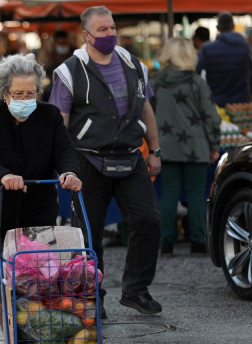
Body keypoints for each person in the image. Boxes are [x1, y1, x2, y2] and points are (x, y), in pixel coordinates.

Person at [49, 6, 162, 318]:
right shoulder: (69, 71)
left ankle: (136, 290)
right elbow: (59, 122)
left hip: (130, 157)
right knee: (87, 234)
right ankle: (91, 295)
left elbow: (146, 109)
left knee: (149, 221)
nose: (110, 34)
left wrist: (154, 150)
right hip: (87, 161)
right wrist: (64, 164)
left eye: (111, 28)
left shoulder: (133, 64)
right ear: (86, 35)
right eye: (102, 30)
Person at [0, 52, 82, 333]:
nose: (25, 99)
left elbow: (65, 151)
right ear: (4, 92)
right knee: (3, 283)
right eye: (17, 93)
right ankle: (14, 342)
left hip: (38, 213)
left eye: (31, 93)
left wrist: (69, 172)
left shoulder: (50, 115)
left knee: (43, 280)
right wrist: (3, 175)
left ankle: (46, 342)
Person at [150, 38, 221, 257]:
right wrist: (214, 144)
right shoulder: (196, 82)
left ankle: (167, 242)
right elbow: (211, 116)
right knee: (196, 194)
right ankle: (198, 241)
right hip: (196, 145)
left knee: (168, 193)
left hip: (165, 145)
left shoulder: (156, 83)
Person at [196, 11, 252, 107]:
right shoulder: (245, 48)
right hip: (241, 105)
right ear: (233, 26)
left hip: (216, 103)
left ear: (217, 28)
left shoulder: (207, 49)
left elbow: (195, 72)